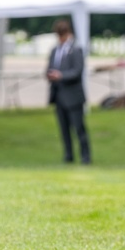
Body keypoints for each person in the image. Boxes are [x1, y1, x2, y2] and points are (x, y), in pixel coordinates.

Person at [46, 18, 90, 164]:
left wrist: (61, 76)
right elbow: (49, 67)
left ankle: (85, 157)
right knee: (64, 130)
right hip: (59, 96)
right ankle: (68, 156)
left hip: (73, 96)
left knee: (79, 128)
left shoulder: (76, 49)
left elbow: (77, 71)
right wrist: (50, 74)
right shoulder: (54, 50)